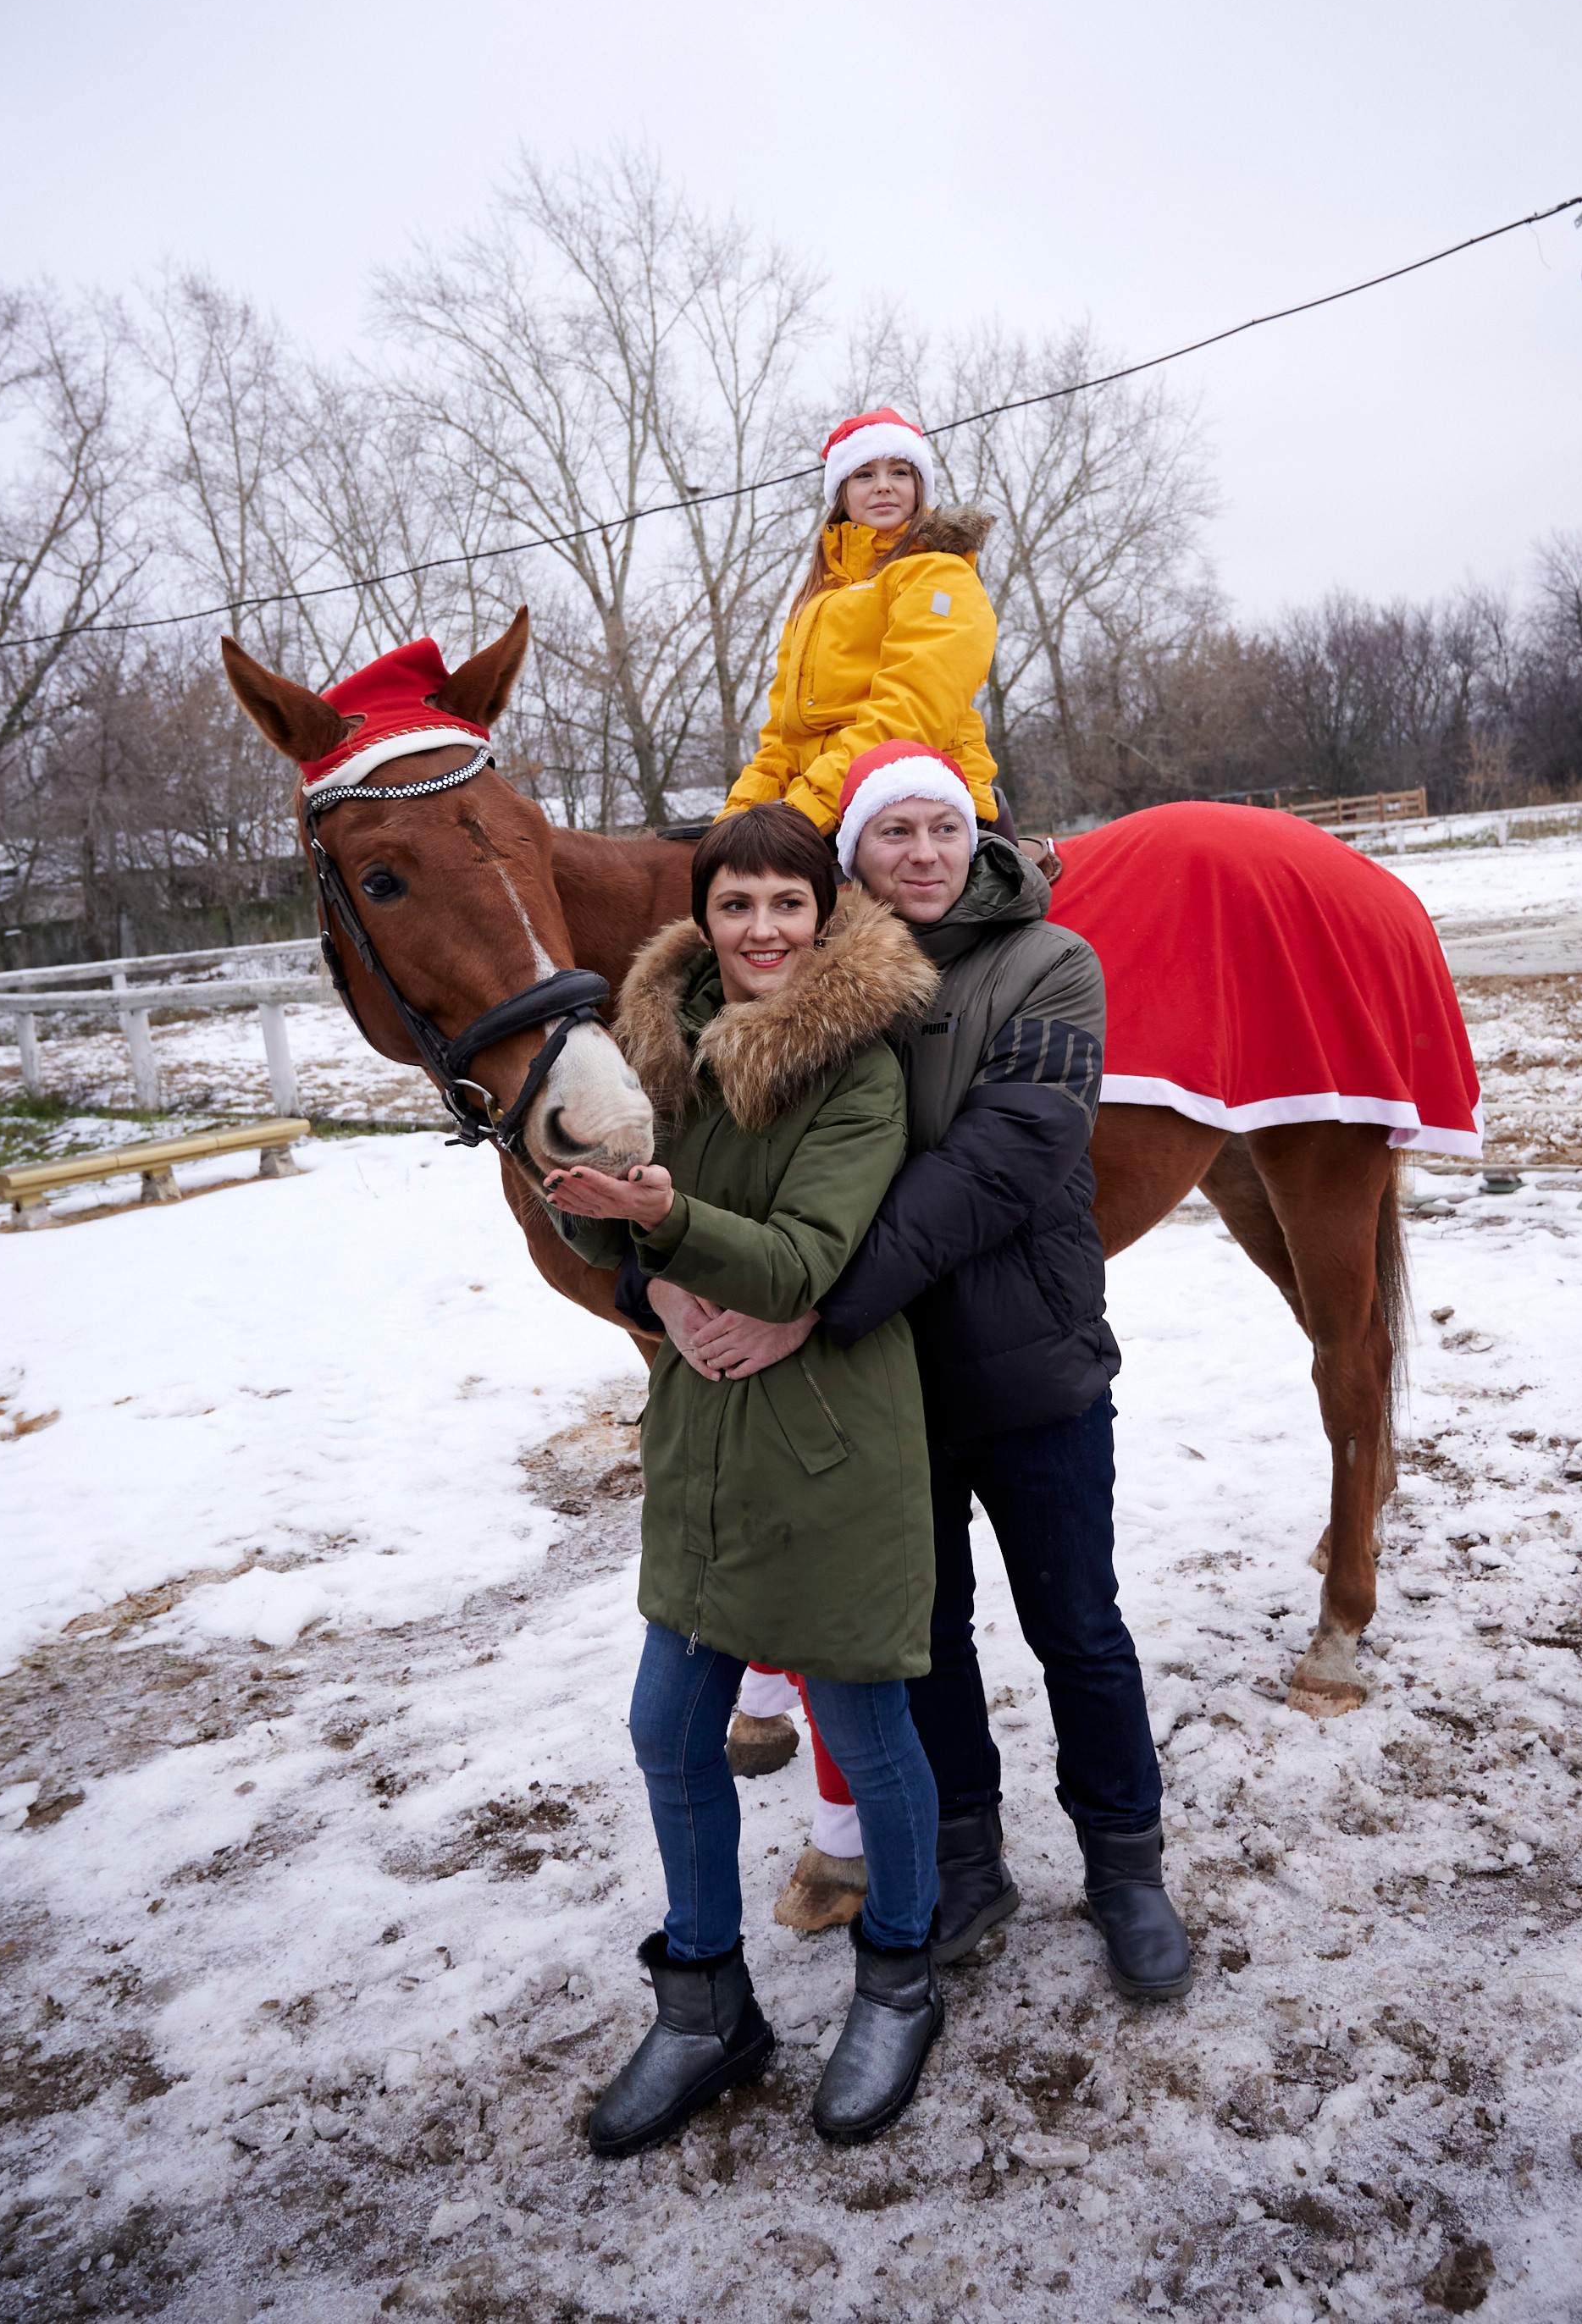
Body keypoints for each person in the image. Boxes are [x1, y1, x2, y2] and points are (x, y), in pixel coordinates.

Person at [646, 744, 1192, 2005]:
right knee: (921, 1644)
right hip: (881, 1390)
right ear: (855, 863)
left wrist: (810, 1302)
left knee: (1078, 1630)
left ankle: (1124, 1865)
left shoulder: (1049, 966)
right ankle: (967, 1859)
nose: (922, 855)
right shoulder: (817, 983)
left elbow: (1006, 1159)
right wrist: (666, 1275)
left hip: (1025, 1367)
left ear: (973, 838)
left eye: (941, 830)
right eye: (891, 834)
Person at [542, 801, 947, 2154]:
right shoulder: (647, 1049)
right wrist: (631, 1257)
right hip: (703, 1437)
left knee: (870, 1731)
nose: (763, 929)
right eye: (735, 906)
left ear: (822, 915)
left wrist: (665, 1224)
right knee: (668, 1728)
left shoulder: (859, 1065)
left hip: (830, 1438)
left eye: (788, 903)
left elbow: (796, 1262)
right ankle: (706, 2002)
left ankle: (898, 1977)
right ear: (700, 920)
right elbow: (598, 1220)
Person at [718, 406, 1001, 837]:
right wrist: (734, 821)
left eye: (900, 472)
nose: (884, 485)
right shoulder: (815, 598)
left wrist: (806, 809)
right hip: (824, 803)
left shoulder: (937, 574)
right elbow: (782, 738)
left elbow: (912, 713)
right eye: (864, 474)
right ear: (842, 493)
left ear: (919, 486)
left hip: (918, 798)